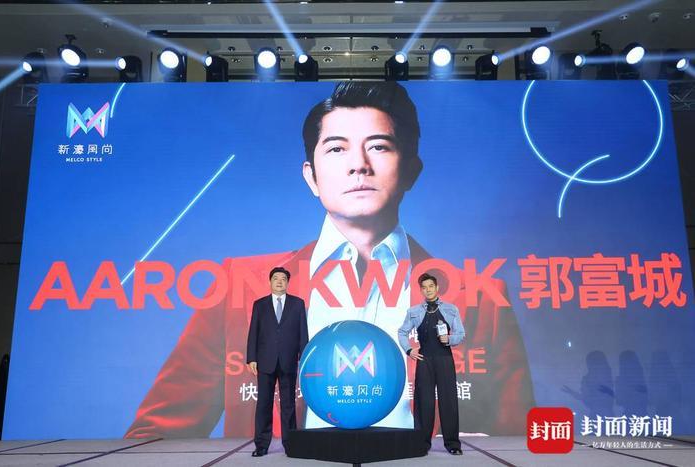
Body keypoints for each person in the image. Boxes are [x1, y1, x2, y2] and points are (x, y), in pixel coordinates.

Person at [125, 81, 534, 439]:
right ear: (311, 176)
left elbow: (516, 437)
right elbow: (153, 437)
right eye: (337, 148)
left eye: (379, 146)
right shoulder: (239, 285)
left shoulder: (479, 296)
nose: (359, 165)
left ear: (411, 169)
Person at [399, 272, 464, 455]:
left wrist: (449, 339)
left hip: (444, 360)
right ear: (421, 290)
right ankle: (422, 443)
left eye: (431, 286)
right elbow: (402, 332)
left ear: (437, 288)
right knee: (424, 402)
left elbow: (461, 333)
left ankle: (452, 444)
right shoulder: (413, 311)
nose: (428, 290)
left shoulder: (451, 309)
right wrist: (409, 350)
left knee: (448, 402)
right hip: (425, 360)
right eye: (424, 287)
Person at [246, 267, 308, 457]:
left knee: (288, 404)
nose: (279, 281)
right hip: (265, 360)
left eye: (283, 279)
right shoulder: (260, 305)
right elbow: (253, 332)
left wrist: (304, 357)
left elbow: (302, 333)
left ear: (287, 283)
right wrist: (251, 357)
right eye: (275, 278)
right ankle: (261, 445)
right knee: (263, 404)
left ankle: (291, 444)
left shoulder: (297, 304)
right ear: (270, 282)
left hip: (289, 360)